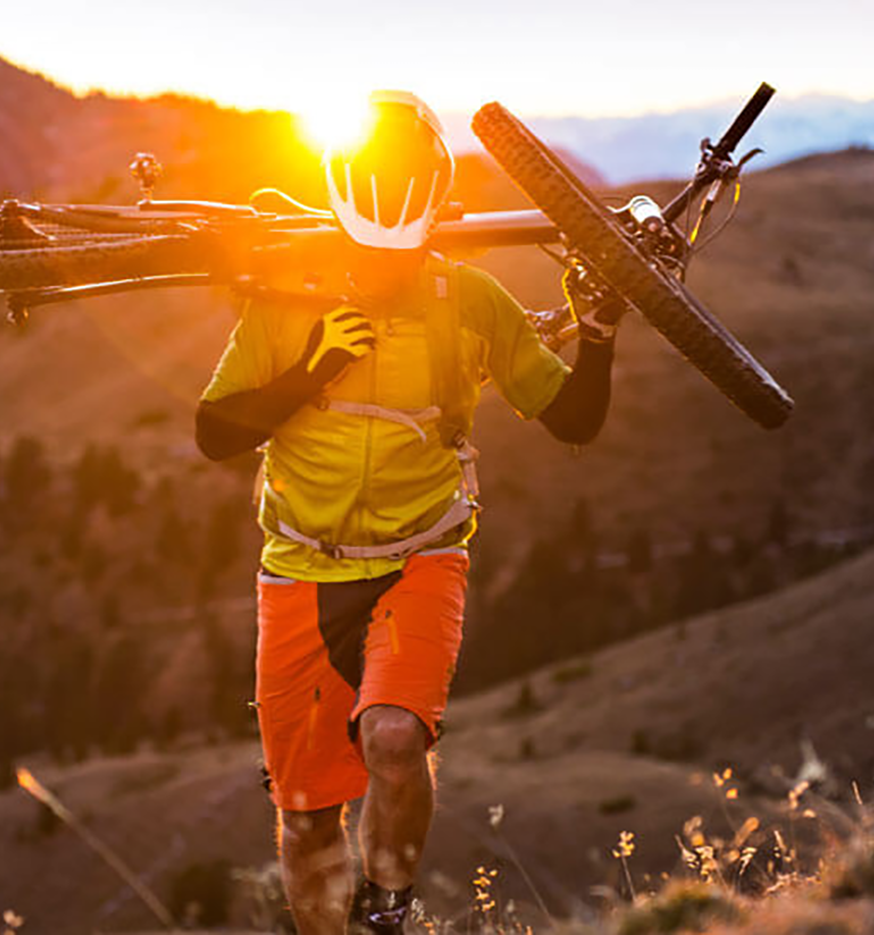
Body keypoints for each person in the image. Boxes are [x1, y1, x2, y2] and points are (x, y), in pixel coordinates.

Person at [193, 90, 623, 934]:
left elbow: (573, 420)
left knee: (395, 738)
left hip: (420, 559)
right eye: (366, 253)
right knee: (309, 812)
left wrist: (601, 332)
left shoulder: (472, 299)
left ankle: (388, 913)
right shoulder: (284, 301)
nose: (382, 272)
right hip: (301, 569)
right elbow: (214, 431)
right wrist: (312, 369)